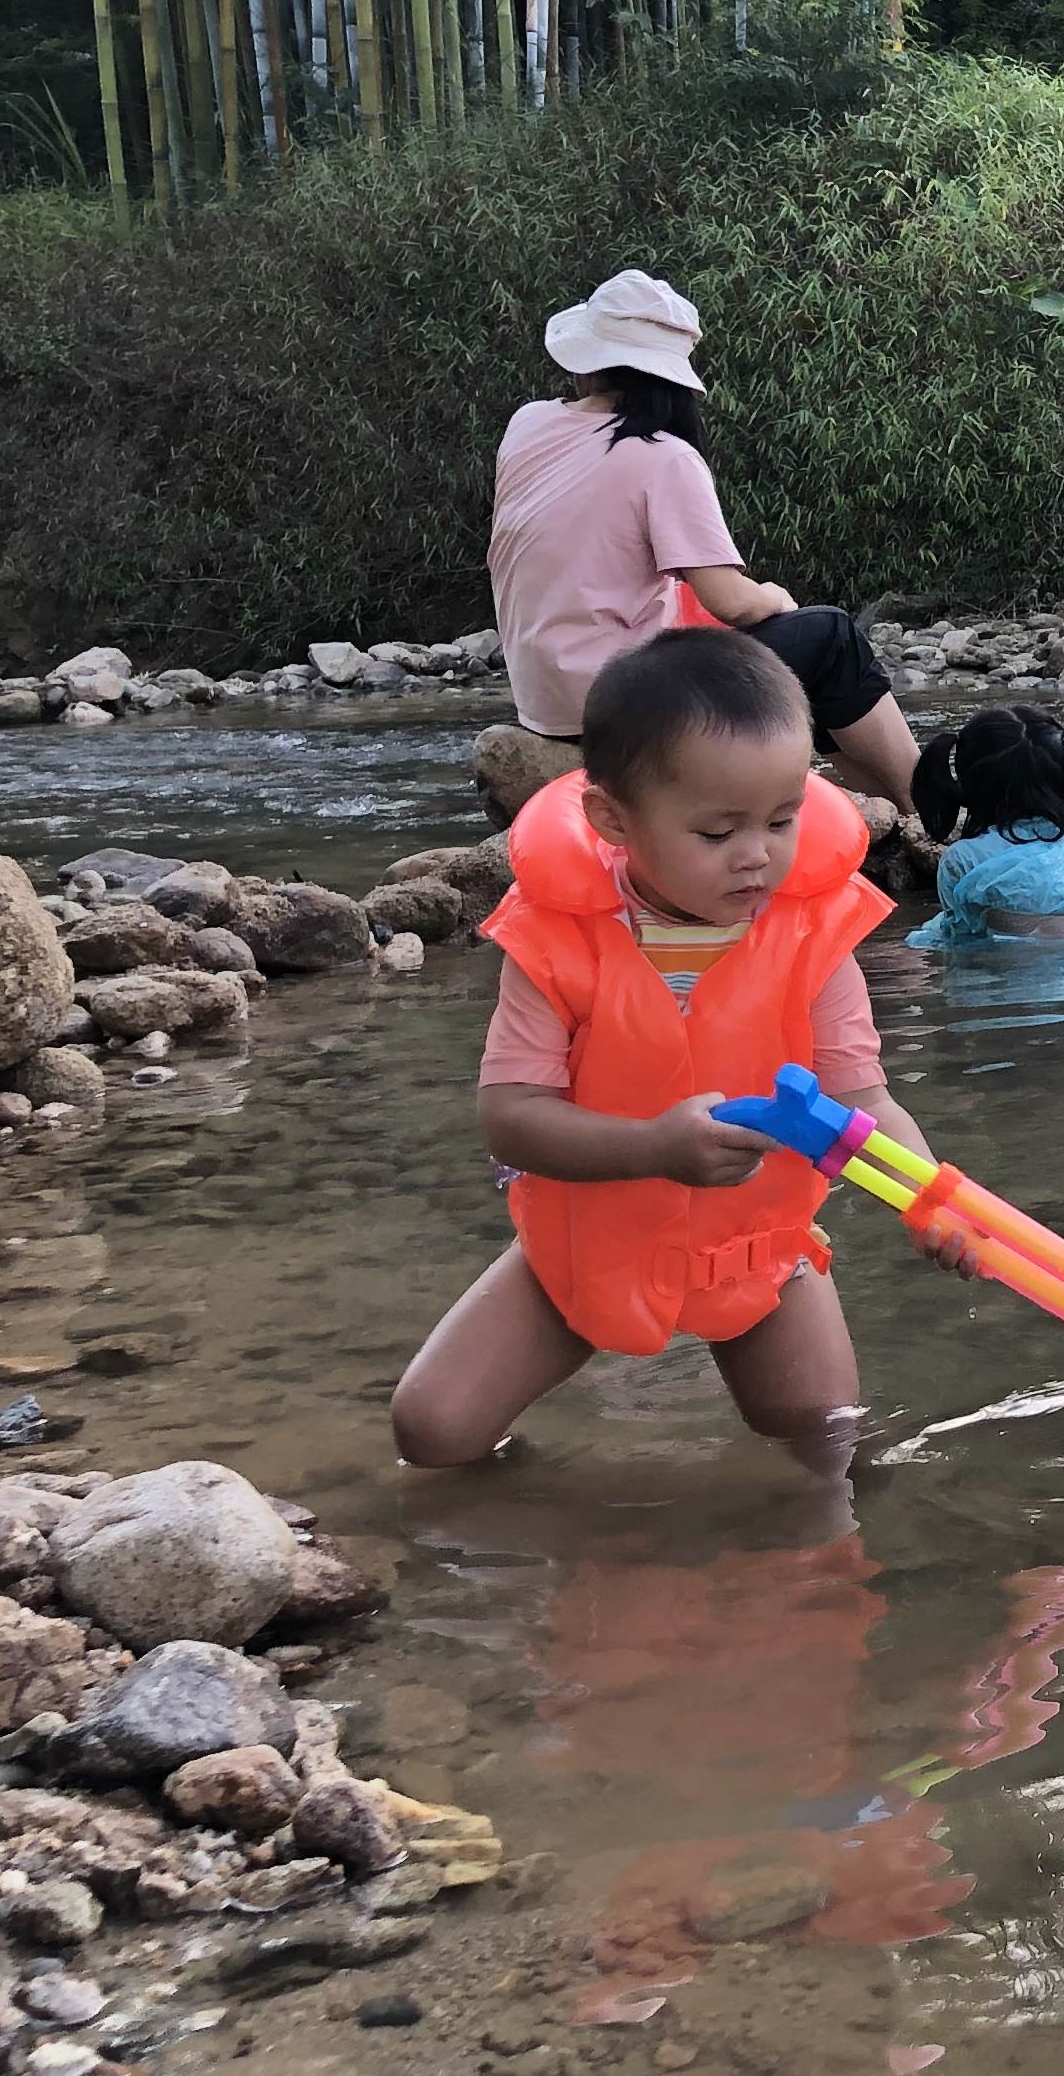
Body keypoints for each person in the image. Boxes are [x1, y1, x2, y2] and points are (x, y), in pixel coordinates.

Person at [392, 628, 964, 1470]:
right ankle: (560, 1535)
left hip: (757, 1253)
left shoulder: (813, 933)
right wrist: (654, 1147)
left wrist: (929, 1198)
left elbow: (864, 1102)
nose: (758, 856)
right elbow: (509, 1119)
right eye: (716, 832)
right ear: (612, 820)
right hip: (586, 1246)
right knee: (432, 1434)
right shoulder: (560, 940)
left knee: (828, 1440)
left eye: (781, 819)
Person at [487, 268, 922, 811]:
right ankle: (920, 802)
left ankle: (877, 813)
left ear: (587, 366)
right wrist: (778, 598)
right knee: (830, 638)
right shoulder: (662, 456)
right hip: (626, 697)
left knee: (808, 667)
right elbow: (731, 601)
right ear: (670, 378)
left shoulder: (527, 425)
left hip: (545, 702)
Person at [909, 706, 1064, 952]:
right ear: (1062, 780)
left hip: (1003, 983)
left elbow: (958, 934)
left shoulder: (961, 859)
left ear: (970, 786)